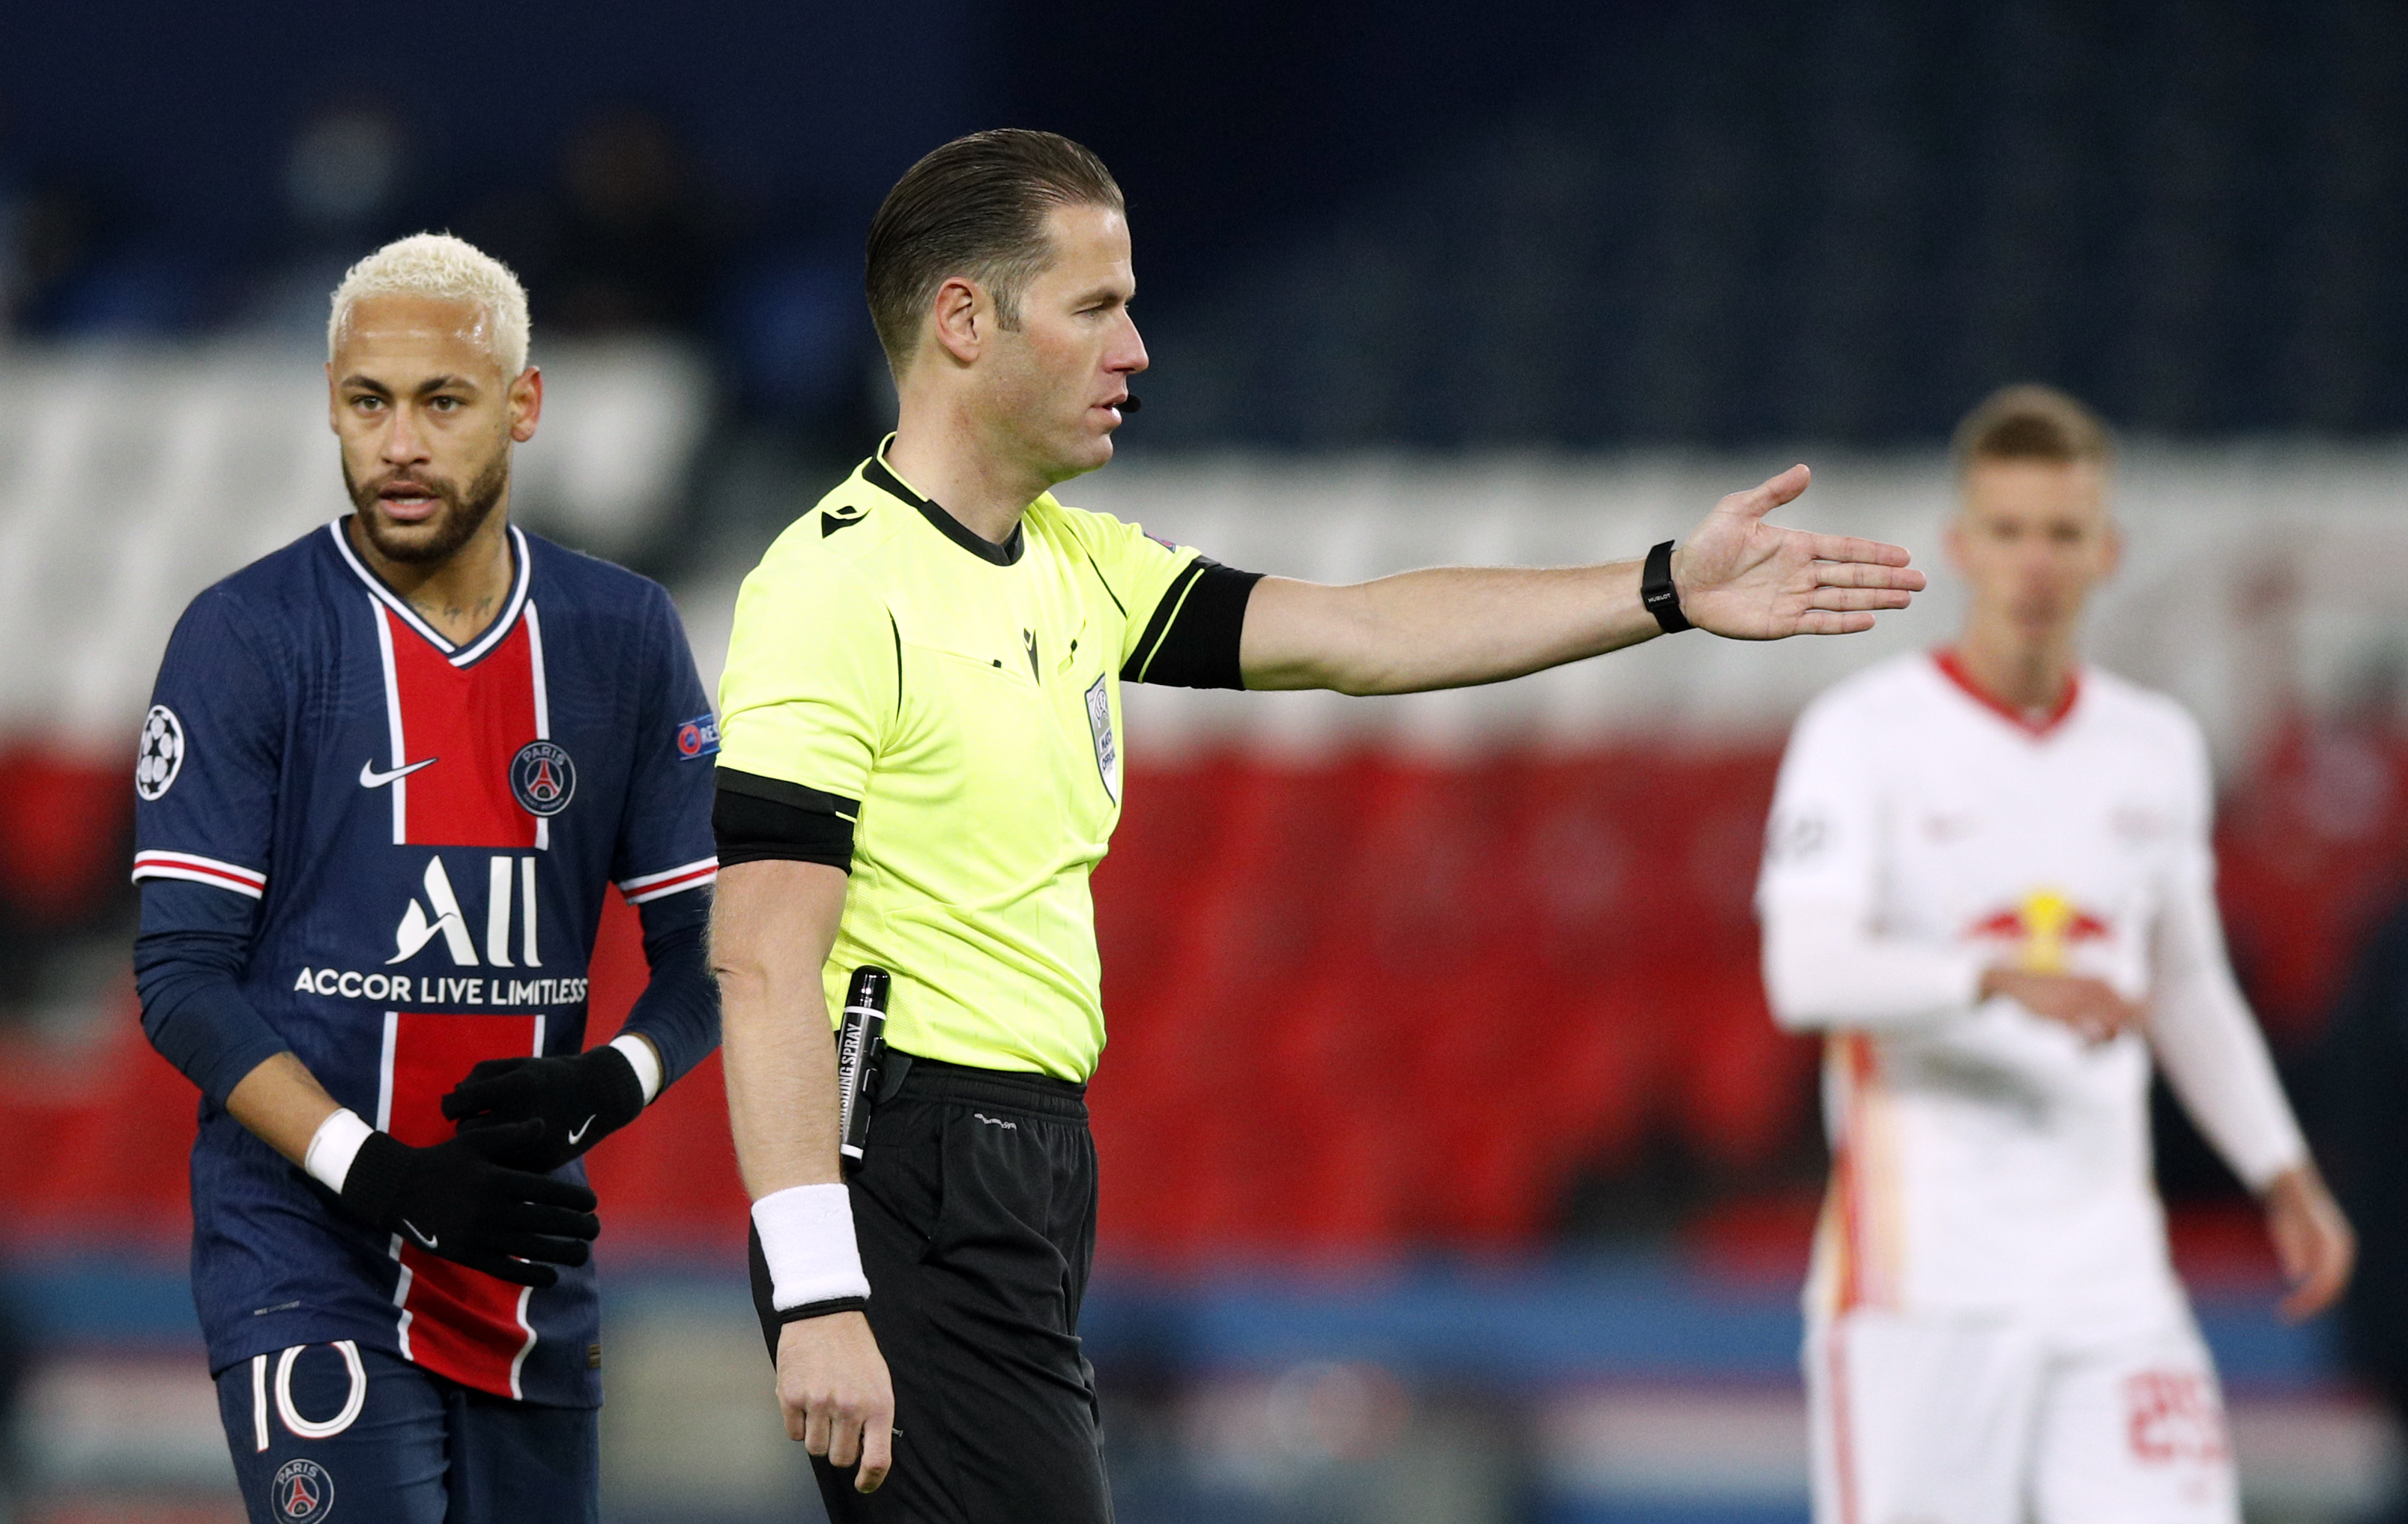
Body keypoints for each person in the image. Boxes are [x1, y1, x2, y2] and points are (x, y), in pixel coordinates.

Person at [710, 127, 1926, 1523]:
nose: (1138, 349)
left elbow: (1356, 633)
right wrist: (815, 1288)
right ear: (964, 321)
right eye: (1096, 305)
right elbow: (760, 960)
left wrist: (1660, 586)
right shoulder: (831, 591)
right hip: (903, 1167)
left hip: (1023, 1162)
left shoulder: (1076, 566)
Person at [130, 232, 720, 1524]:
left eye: (441, 402)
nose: (398, 442)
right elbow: (179, 977)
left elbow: (709, 954)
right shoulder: (247, 636)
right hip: (308, 1251)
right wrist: (379, 1171)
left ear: (522, 405)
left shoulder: (621, 637)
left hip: (521, 1251)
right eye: (366, 402)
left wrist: (607, 1079)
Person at [1755, 384, 2356, 1524]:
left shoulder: (2153, 747)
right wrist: (1982, 976)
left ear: (2107, 550)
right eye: (2010, 530)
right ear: (1959, 545)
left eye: (2062, 533)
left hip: (2110, 1285)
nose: (2034, 561)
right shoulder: (1863, 736)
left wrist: (2280, 1168)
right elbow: (1805, 973)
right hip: (1922, 1287)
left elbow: (2182, 983)